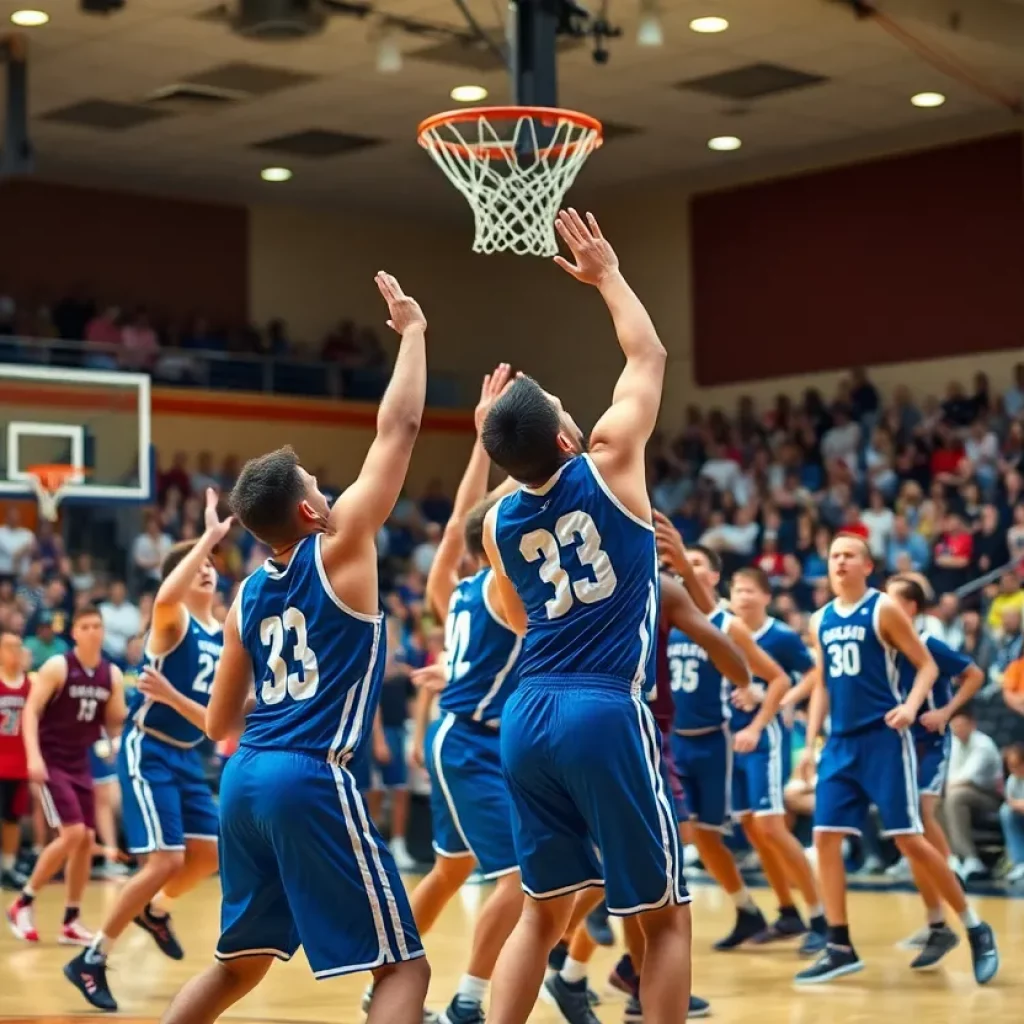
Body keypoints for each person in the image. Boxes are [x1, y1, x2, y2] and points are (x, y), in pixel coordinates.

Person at [157, 271, 430, 1024]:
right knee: (404, 966)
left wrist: (285, 699)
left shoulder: (246, 594)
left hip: (243, 781)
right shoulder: (340, 546)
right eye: (319, 481)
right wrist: (412, 334)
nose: (330, 489)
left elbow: (218, 724)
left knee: (236, 967)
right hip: (310, 776)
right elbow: (398, 431)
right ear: (311, 509)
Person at [479, 210, 689, 1024]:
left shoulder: (497, 523)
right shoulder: (608, 463)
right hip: (604, 706)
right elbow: (649, 355)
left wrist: (494, 443)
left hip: (527, 711)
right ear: (570, 435)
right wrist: (607, 275)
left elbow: (511, 611)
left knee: (544, 908)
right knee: (661, 916)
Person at [374, 366, 518, 1024]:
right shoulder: (496, 587)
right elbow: (476, 517)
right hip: (471, 745)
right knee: (519, 880)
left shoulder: (451, 589)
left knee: (450, 871)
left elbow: (462, 515)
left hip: (470, 736)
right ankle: (467, 1004)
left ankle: (384, 983)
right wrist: (514, 444)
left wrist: (482, 439)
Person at [794, 534, 998, 986]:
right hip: (840, 744)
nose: (840, 562)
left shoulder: (882, 607)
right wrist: (809, 745)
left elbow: (926, 665)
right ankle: (839, 944)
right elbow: (823, 683)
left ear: (867, 566)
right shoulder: (819, 619)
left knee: (911, 838)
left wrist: (913, 706)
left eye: (849, 555)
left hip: (884, 739)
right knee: (825, 838)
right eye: (834, 556)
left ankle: (973, 926)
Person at [547, 565, 748, 1024]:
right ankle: (573, 954)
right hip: (634, 732)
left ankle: (604, 977)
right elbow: (734, 660)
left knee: (640, 878)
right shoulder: (647, 585)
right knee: (649, 876)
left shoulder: (576, 576)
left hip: (567, 724)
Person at [65, 491, 231, 1012]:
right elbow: (163, 599)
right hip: (148, 750)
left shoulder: (224, 636)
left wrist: (176, 697)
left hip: (186, 754)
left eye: (210, 565)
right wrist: (206, 536)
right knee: (164, 860)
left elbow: (212, 722)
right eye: (195, 565)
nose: (205, 570)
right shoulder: (174, 621)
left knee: (207, 857)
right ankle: (91, 958)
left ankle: (153, 911)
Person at [661, 543, 790, 951]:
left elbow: (776, 679)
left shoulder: (725, 624)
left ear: (714, 576)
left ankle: (802, 913)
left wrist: (753, 702)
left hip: (713, 744)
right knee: (687, 836)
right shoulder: (663, 615)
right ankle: (745, 910)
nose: (683, 568)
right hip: (671, 741)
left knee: (709, 836)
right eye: (682, 563)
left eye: (696, 563)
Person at [7, 608, 126, 945]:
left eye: (97, 626)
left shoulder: (112, 675)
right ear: (74, 633)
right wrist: (33, 756)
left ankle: (71, 919)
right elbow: (31, 711)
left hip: (80, 762)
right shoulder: (58, 666)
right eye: (85, 626)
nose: (92, 631)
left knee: (86, 841)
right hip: (51, 759)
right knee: (73, 834)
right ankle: (22, 902)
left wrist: (120, 736)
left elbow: (114, 721)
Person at [726, 566, 827, 955]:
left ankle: (820, 917)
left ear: (766, 596)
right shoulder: (723, 629)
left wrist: (780, 698)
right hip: (732, 736)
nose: (743, 596)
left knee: (770, 824)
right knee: (753, 828)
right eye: (737, 589)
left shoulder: (780, 636)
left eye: (750, 590)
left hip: (765, 735)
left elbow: (814, 673)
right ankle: (787, 911)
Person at [884, 574, 984, 964]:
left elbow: (974, 674)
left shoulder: (929, 644)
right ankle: (934, 921)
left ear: (909, 608)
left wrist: (945, 711)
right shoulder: (883, 646)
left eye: (891, 599)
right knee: (907, 831)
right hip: (897, 745)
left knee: (923, 815)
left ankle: (952, 870)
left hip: (930, 744)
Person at [0, 629, 30, 890]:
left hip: (19, 764)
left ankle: (8, 867)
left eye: (19, 647)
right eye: (9, 647)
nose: (15, 652)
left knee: (13, 817)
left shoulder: (31, 684)